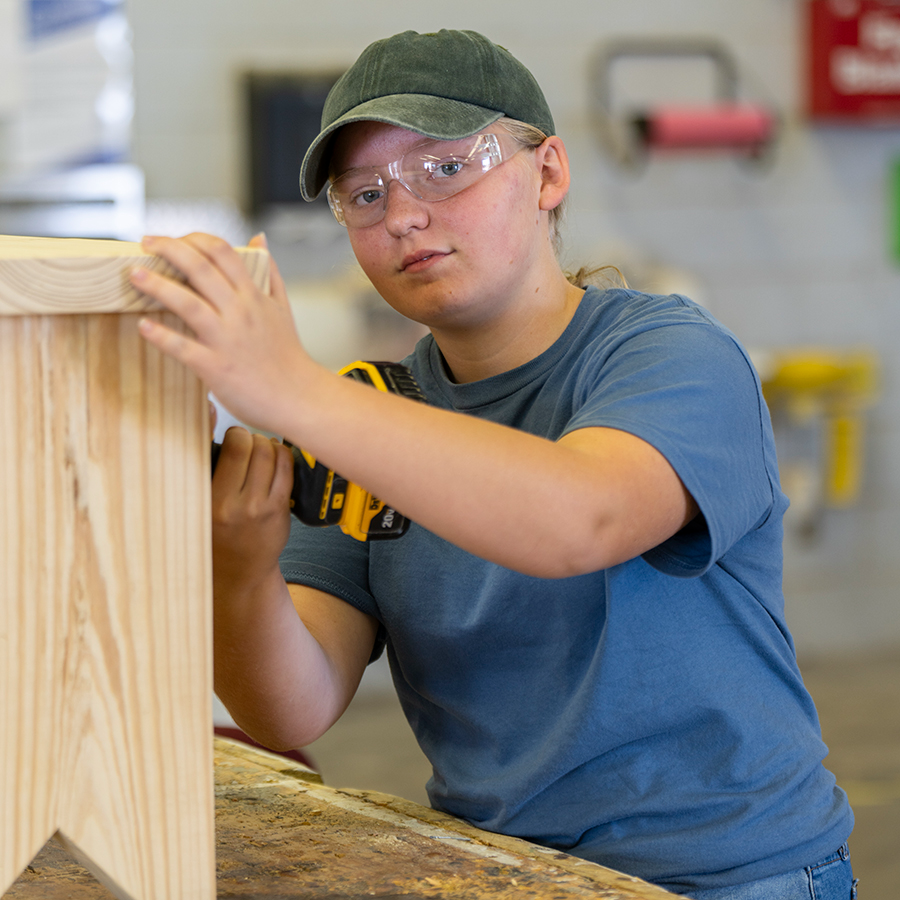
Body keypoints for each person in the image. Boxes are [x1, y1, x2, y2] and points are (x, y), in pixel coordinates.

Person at [131, 29, 856, 900]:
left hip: (726, 878)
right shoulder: (371, 411)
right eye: (363, 194)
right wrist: (240, 572)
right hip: (506, 876)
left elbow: (577, 518)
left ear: (548, 173)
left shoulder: (669, 352)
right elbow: (291, 707)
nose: (402, 216)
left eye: (445, 169)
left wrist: (290, 389)